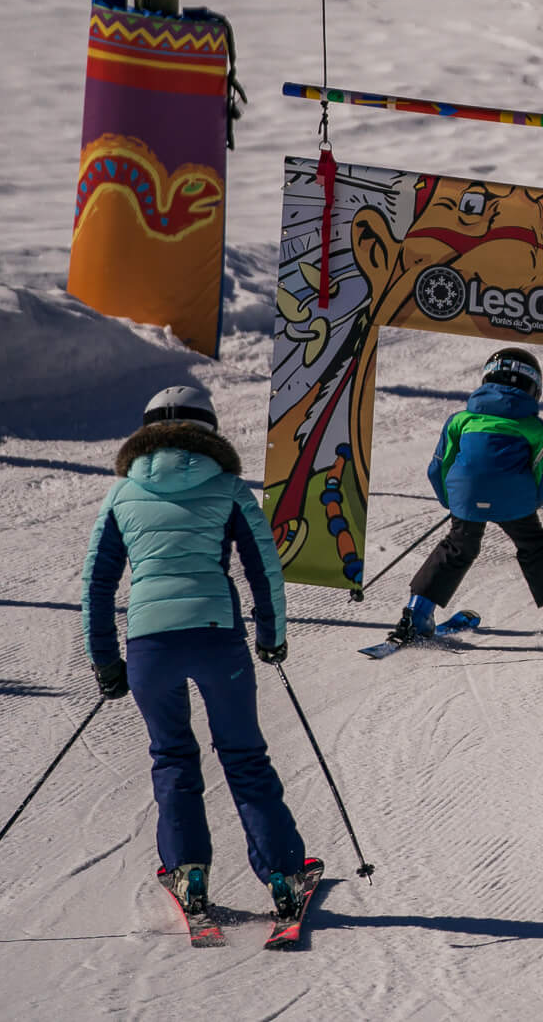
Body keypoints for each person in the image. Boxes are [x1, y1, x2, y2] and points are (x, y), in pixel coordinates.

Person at [82, 384, 311, 919]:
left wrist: (105, 661)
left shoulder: (120, 494)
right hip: (216, 638)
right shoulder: (228, 488)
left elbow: (97, 583)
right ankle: (284, 877)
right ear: (209, 430)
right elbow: (263, 568)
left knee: (173, 756)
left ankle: (188, 876)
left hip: (149, 646)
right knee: (244, 756)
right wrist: (272, 636)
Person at [395, 347, 543, 648]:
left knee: (458, 546)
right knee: (537, 547)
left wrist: (452, 502)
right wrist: (526, 504)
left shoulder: (460, 421)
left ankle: (416, 614)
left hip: (466, 497)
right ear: (533, 387)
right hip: (515, 500)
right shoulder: (538, 429)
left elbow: (437, 468)